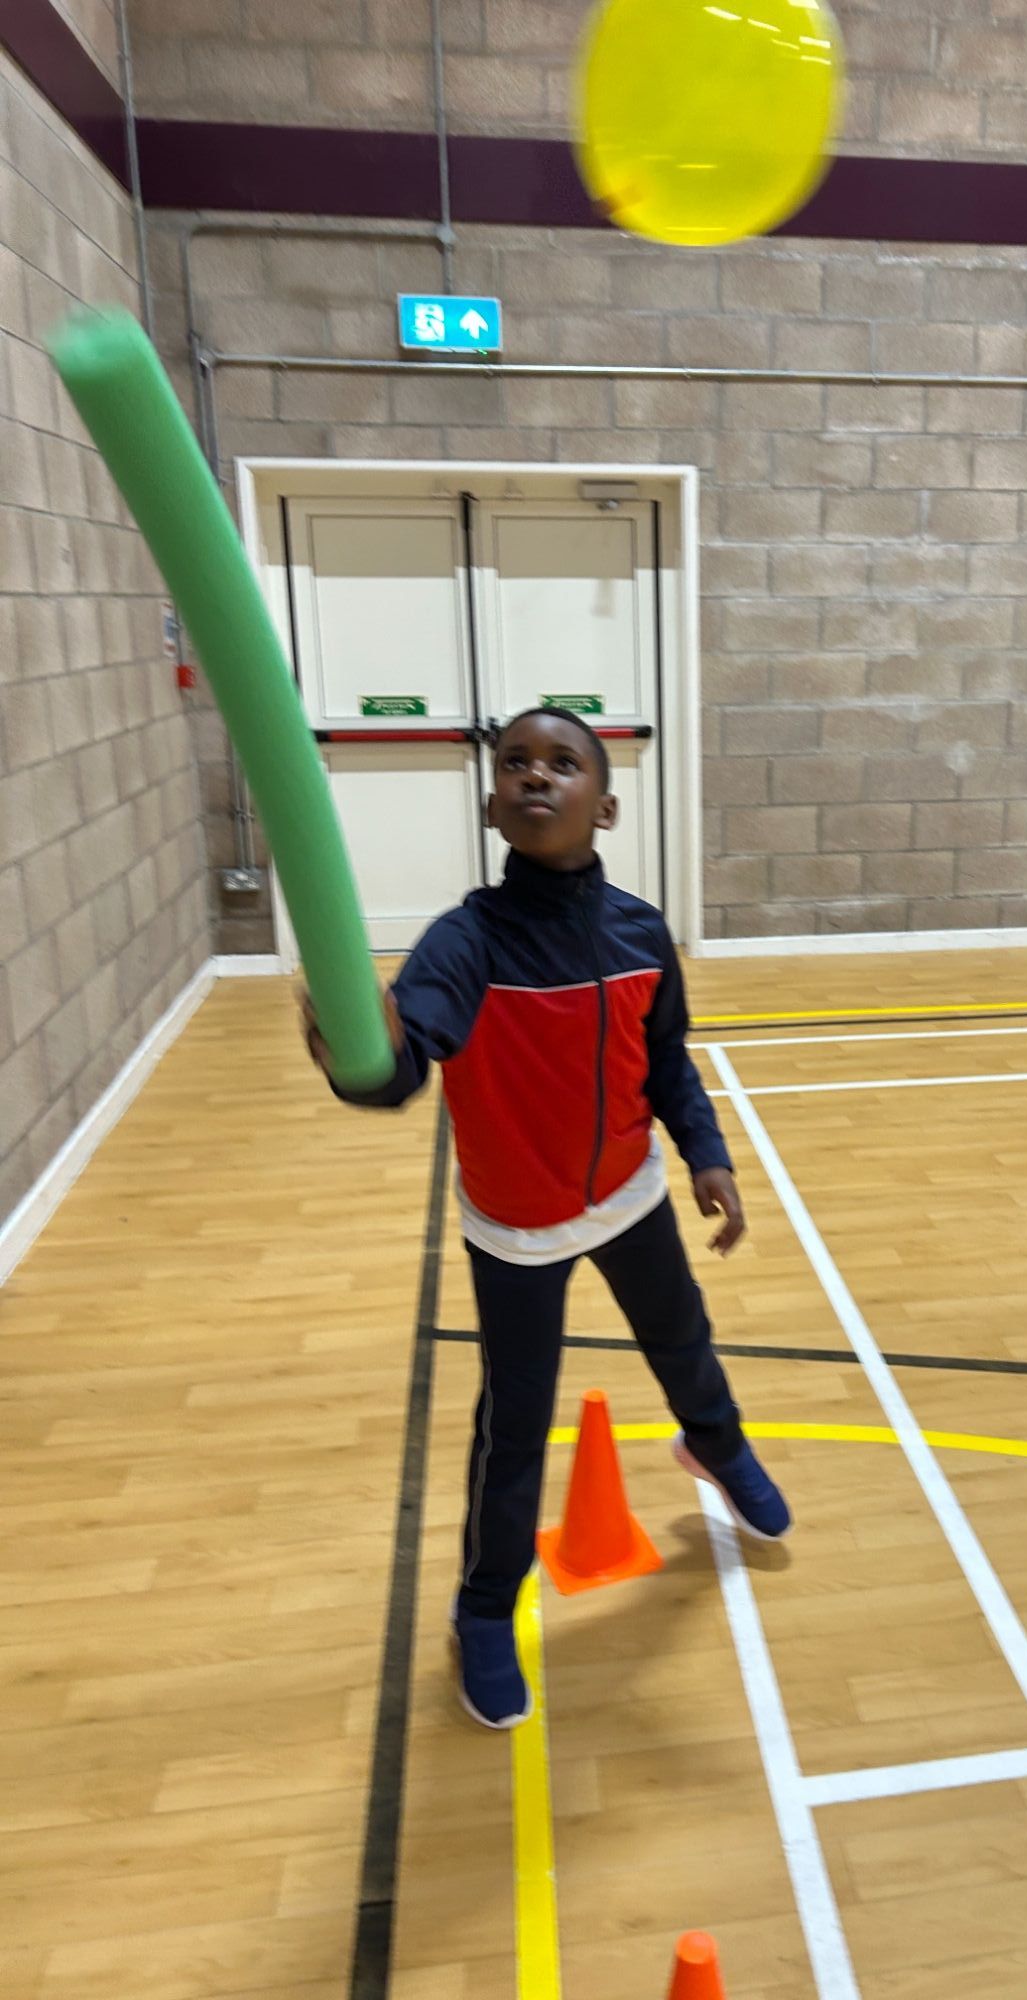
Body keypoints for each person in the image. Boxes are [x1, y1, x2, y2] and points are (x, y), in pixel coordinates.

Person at [303, 707, 791, 1729]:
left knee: (683, 1337)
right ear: (493, 804)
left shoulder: (641, 931)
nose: (535, 775)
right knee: (515, 1425)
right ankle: (485, 1606)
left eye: (562, 763)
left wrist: (705, 1153)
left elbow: (666, 1061)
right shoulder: (464, 944)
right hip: (516, 1228)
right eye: (514, 763)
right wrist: (358, 1052)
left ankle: (717, 1442)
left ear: (603, 805)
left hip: (628, 1195)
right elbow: (401, 1071)